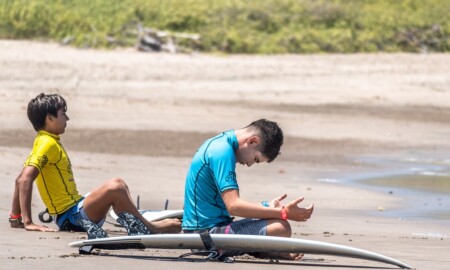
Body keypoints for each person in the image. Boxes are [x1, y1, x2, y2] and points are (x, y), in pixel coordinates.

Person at [9, 92, 181, 237]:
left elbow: (19, 180)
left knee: (116, 188)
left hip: (74, 210)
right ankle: (150, 228)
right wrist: (28, 222)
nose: (67, 118)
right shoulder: (47, 143)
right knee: (116, 186)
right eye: (63, 113)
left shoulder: (43, 140)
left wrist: (15, 217)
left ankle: (139, 224)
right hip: (71, 217)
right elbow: (25, 180)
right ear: (50, 118)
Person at [182, 119, 314, 260]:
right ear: (252, 141)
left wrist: (267, 206)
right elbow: (234, 206)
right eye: (256, 159)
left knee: (273, 219)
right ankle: (259, 249)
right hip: (204, 237)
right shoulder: (221, 152)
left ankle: (259, 249)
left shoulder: (220, 143)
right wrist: (283, 213)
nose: (250, 164)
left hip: (209, 229)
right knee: (281, 227)